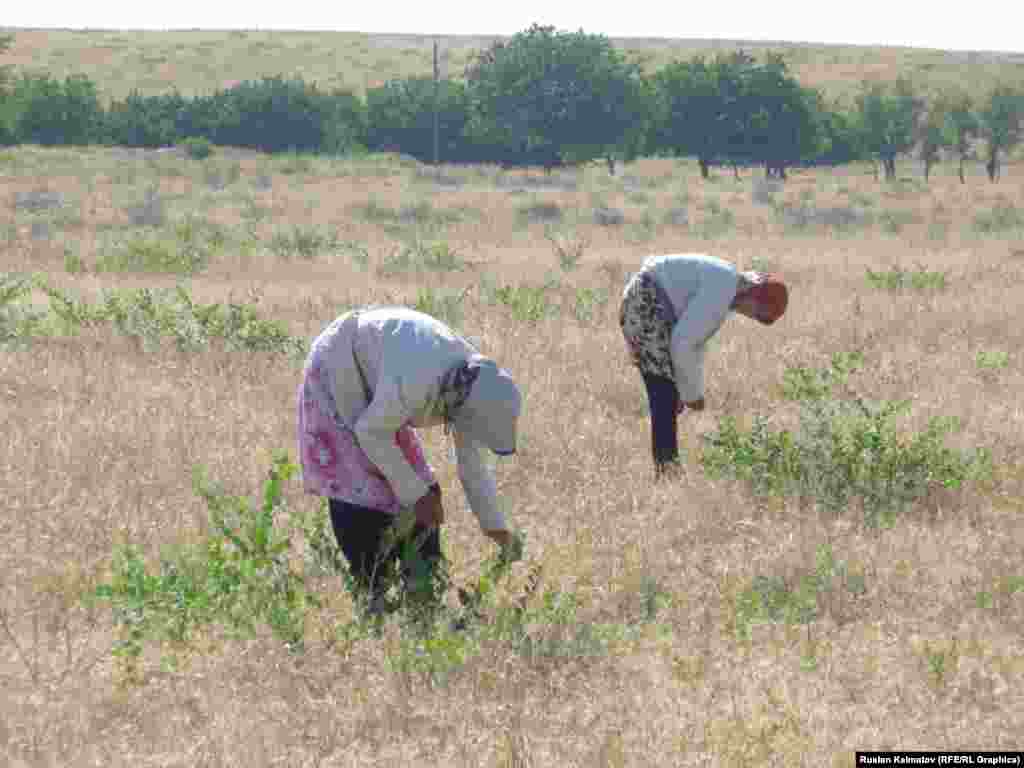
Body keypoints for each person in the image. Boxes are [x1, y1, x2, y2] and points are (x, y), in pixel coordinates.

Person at [297, 306, 521, 613]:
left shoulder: (474, 387)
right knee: (361, 486)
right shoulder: (416, 380)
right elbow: (371, 432)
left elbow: (472, 467)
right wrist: (417, 497)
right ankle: (372, 589)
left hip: (381, 390)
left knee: (423, 490)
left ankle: (421, 597)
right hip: (339, 367)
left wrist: (496, 528)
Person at [619, 253, 789, 475]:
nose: (750, 316)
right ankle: (667, 471)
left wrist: (687, 389)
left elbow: (693, 343)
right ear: (753, 296)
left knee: (668, 395)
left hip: (648, 300)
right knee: (664, 394)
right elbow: (684, 344)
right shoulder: (721, 293)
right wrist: (692, 396)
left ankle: (668, 468)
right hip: (646, 302)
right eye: (756, 313)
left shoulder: (725, 284)